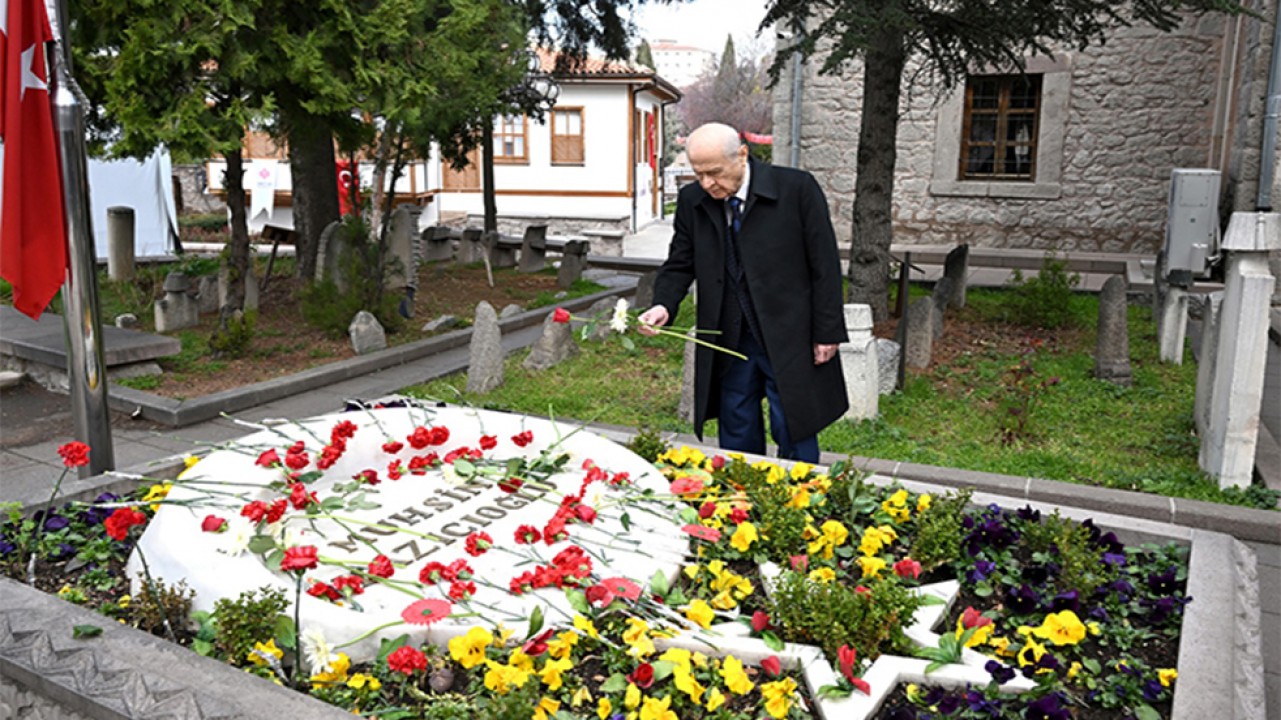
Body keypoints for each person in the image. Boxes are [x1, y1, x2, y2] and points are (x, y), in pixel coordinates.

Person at [638, 122, 847, 462]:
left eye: (715, 173)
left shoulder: (795, 189)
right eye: (698, 174)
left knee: (793, 422)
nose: (707, 183)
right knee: (736, 422)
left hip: (789, 334)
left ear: (742, 155)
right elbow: (680, 262)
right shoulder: (693, 202)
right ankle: (741, 502)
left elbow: (824, 266)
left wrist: (827, 331)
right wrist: (663, 304)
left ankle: (801, 498)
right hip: (729, 336)